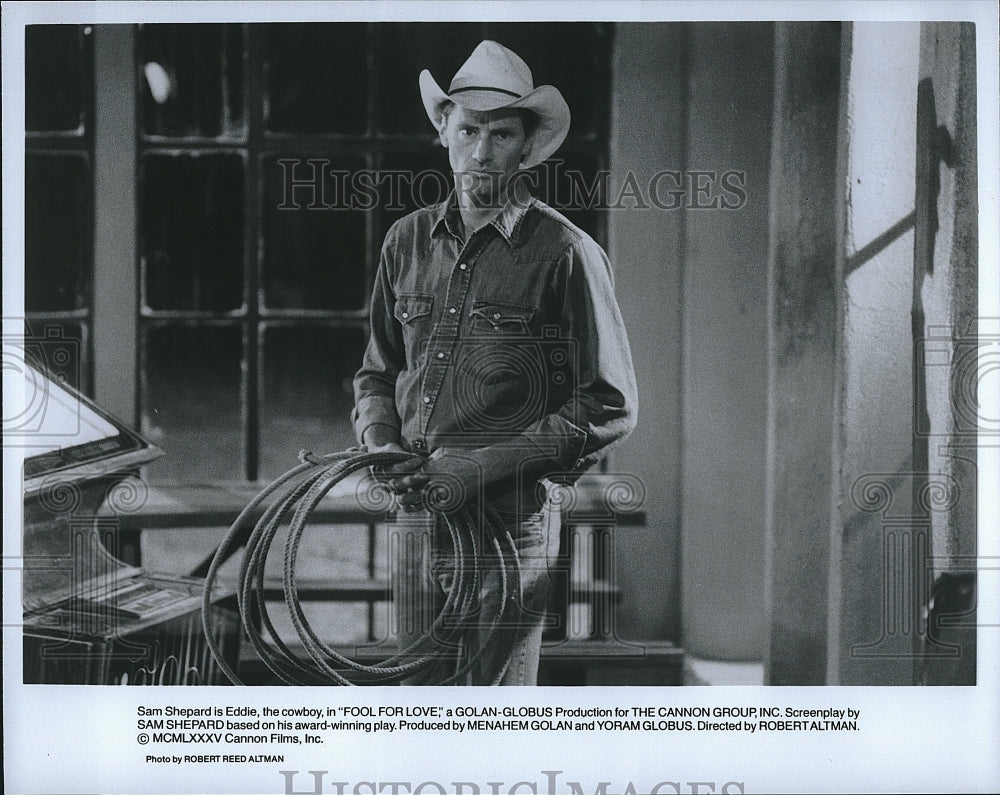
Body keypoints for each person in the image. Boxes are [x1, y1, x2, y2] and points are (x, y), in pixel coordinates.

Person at [352, 40, 637, 685]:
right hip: (419, 516)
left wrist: (479, 466)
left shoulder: (566, 252)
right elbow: (377, 370)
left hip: (511, 525)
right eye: (469, 130)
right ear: (444, 133)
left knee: (495, 719)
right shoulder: (406, 241)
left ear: (526, 144)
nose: (481, 151)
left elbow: (610, 404)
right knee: (418, 703)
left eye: (500, 134)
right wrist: (379, 441)